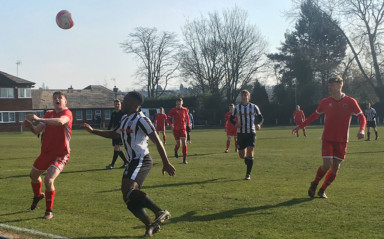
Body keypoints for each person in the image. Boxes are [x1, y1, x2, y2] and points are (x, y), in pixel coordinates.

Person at [82, 91, 176, 237]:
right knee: (128, 198)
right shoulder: (126, 118)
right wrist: (93, 131)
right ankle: (150, 225)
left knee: (129, 190)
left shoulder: (142, 120)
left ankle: (159, 211)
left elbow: (157, 141)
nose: (122, 103)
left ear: (133, 104)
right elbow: (115, 134)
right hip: (133, 161)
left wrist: (166, 162)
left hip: (142, 159)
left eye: (125, 101)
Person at [292, 76, 366, 199]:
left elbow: (361, 117)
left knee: (336, 168)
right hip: (327, 138)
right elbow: (313, 116)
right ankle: (315, 183)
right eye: (329, 85)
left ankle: (322, 190)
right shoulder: (325, 102)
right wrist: (300, 126)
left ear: (340, 85)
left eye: (332, 85)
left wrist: (362, 129)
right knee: (327, 164)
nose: (330, 88)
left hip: (342, 140)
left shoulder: (350, 101)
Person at [22, 91, 73, 219]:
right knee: (33, 176)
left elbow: (61, 122)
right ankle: (38, 195)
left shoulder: (67, 113)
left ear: (65, 101)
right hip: (46, 153)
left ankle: (49, 211)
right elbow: (37, 131)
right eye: (55, 98)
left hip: (61, 154)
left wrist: (39, 119)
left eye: (59, 98)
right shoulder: (49, 114)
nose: (57, 99)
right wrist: (30, 125)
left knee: (49, 180)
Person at [230, 90, 264, 180]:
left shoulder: (254, 107)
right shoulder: (236, 108)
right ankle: (247, 160)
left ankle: (248, 174)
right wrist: (235, 124)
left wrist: (259, 124)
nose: (244, 97)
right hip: (241, 133)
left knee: (250, 151)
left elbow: (261, 118)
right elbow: (231, 119)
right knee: (242, 155)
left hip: (251, 132)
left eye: (245, 95)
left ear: (248, 97)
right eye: (242, 95)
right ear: (241, 97)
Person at [106, 99, 129, 169]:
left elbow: (122, 124)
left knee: (116, 147)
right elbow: (111, 122)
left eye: (118, 104)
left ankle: (112, 165)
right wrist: (107, 131)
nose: (117, 105)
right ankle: (126, 162)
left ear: (120, 105)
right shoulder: (113, 113)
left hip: (120, 133)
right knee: (117, 149)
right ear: (114, 105)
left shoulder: (123, 114)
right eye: (115, 104)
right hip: (114, 133)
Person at [168, 98, 191, 164]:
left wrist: (188, 125)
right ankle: (175, 150)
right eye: (178, 102)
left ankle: (184, 159)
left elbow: (187, 118)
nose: (179, 104)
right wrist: (170, 124)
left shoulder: (185, 109)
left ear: (182, 103)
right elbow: (168, 118)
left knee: (184, 143)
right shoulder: (173, 110)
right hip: (176, 129)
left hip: (183, 128)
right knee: (179, 144)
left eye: (180, 102)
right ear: (176, 103)